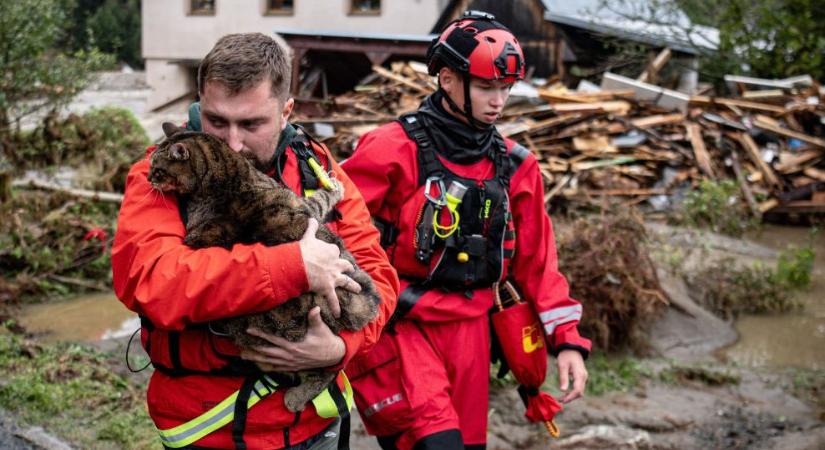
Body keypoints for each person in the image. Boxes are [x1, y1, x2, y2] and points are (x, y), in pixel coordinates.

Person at [111, 32, 399, 450]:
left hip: (315, 427)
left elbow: (379, 280)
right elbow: (155, 282)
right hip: (211, 431)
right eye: (215, 121)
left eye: (251, 124)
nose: (232, 143)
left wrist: (340, 347)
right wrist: (295, 267)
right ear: (198, 102)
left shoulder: (318, 168)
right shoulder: (162, 177)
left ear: (286, 112)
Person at [341, 11, 591, 450]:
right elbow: (332, 225)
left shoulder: (516, 165)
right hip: (403, 325)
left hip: (472, 331)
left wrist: (568, 342)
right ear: (448, 79)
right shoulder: (391, 149)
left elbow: (537, 264)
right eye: (487, 87)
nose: (499, 101)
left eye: (505, 89)